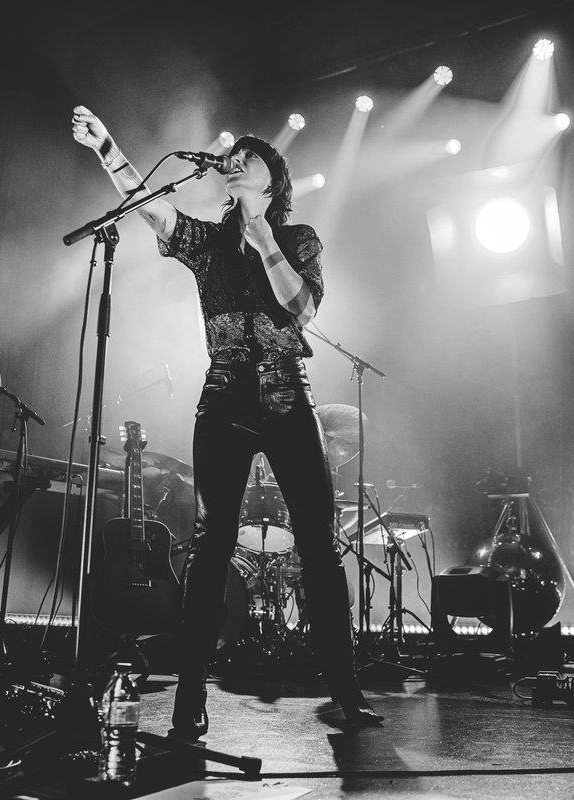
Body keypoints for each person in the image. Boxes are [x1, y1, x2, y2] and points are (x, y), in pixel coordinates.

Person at [71, 105, 382, 738]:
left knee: (319, 547)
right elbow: (146, 204)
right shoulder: (208, 243)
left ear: (273, 180)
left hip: (288, 395)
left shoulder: (298, 239)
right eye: (233, 156)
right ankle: (190, 696)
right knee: (212, 544)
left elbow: (299, 308)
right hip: (224, 394)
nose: (236, 158)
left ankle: (345, 689)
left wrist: (262, 232)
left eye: (251, 156)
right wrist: (107, 145)